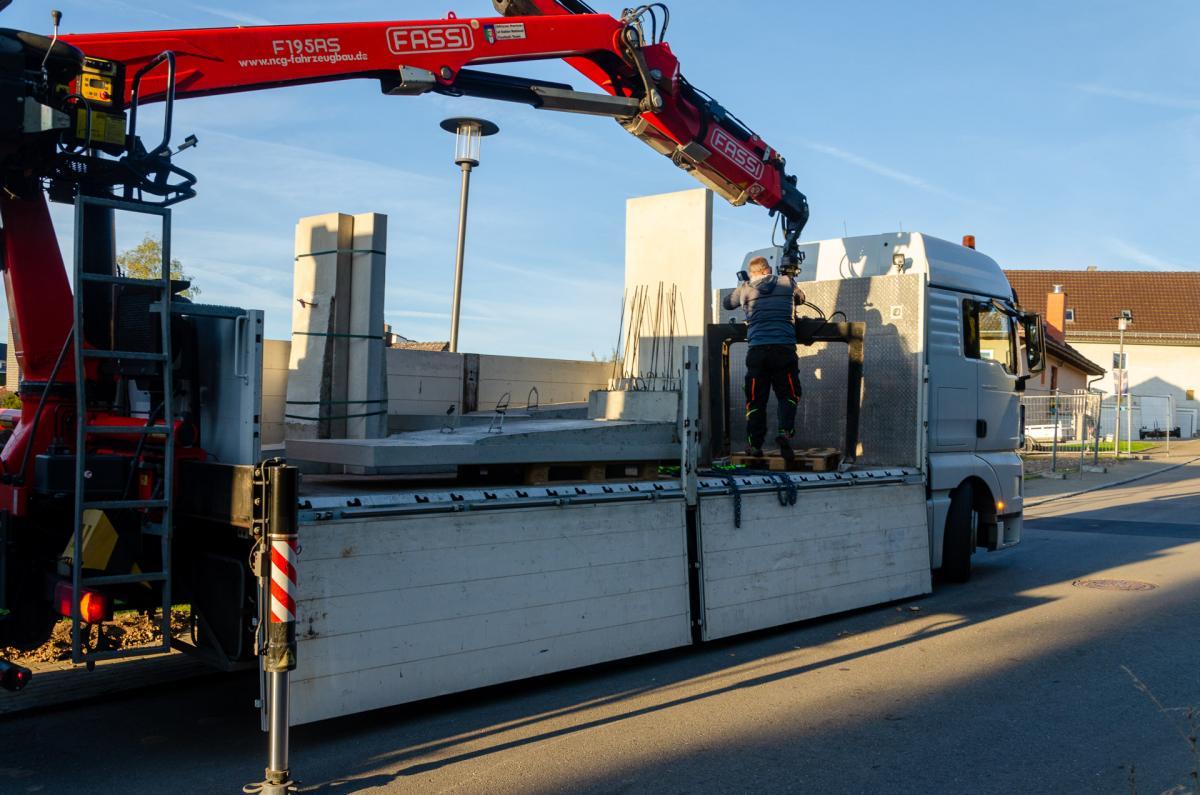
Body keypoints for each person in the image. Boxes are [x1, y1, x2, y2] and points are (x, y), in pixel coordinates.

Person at [722, 255, 805, 458]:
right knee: (788, 395)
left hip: (757, 352)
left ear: (752, 273)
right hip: (783, 351)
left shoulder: (745, 288)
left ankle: (755, 445)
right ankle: (784, 433)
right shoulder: (787, 282)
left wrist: (743, 287)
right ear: (767, 270)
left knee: (755, 400)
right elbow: (801, 299)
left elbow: (727, 303)